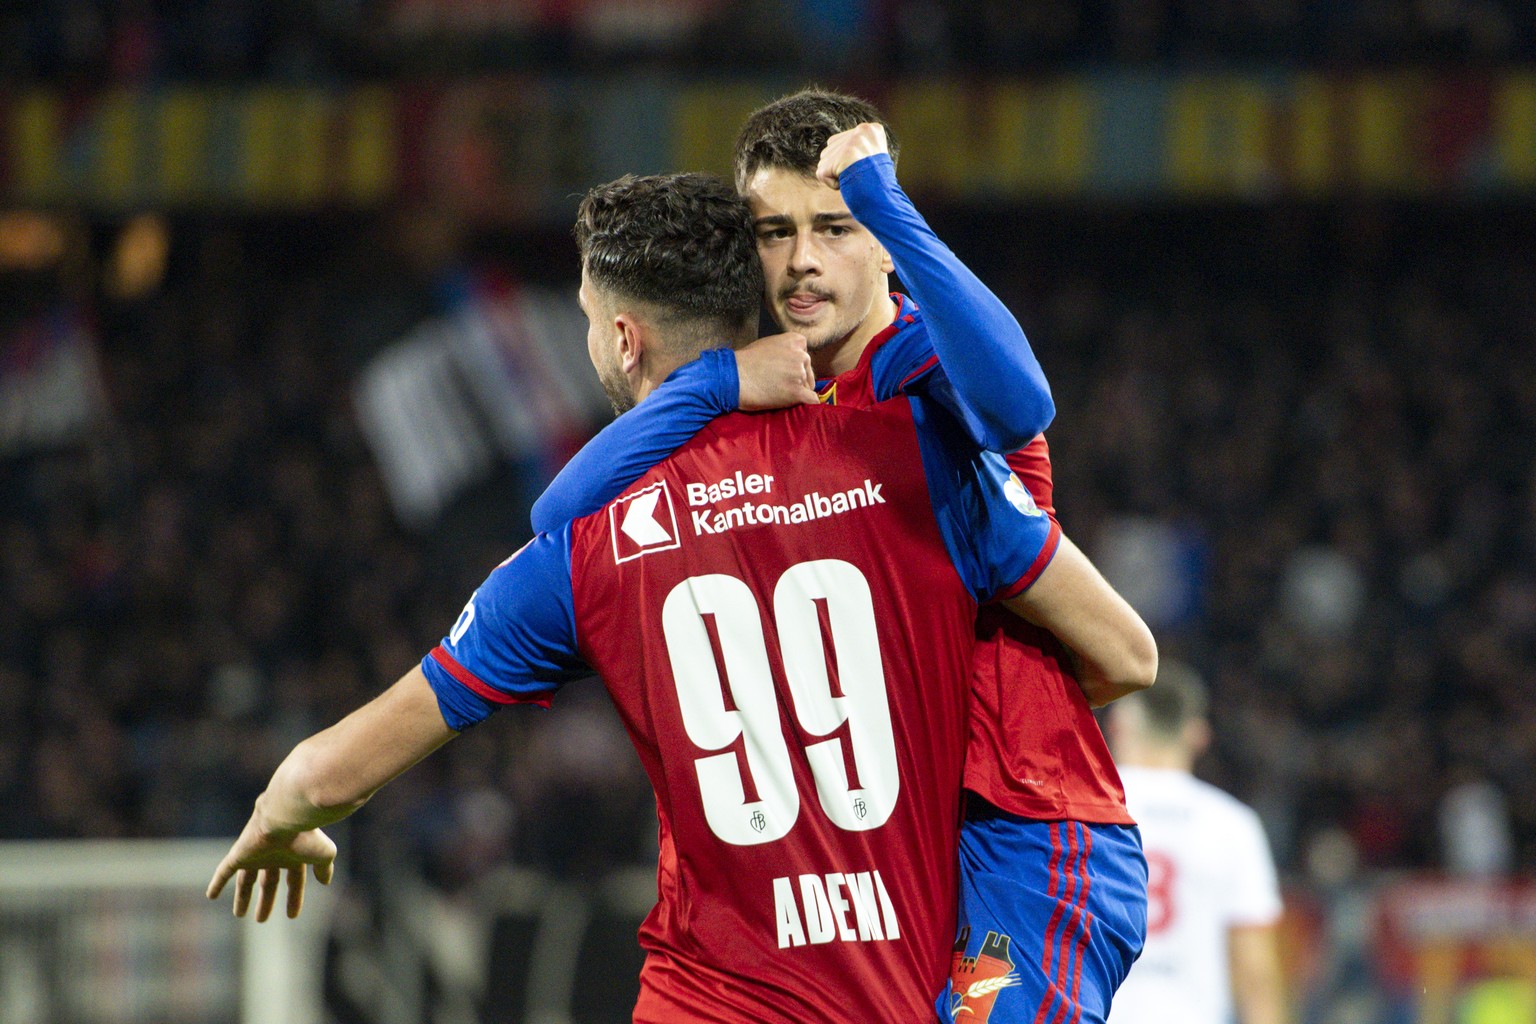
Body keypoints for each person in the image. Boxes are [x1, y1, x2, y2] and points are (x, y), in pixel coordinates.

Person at [207, 171, 1153, 1024]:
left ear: (621, 338)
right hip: (901, 988)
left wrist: (285, 816)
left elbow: (326, 773)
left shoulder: (578, 553)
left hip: (707, 998)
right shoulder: (908, 458)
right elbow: (1120, 655)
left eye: (584, 319)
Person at [529, 88, 1151, 1023]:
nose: (803, 261)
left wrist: (888, 199)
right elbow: (561, 517)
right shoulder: (763, 401)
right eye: (775, 232)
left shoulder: (914, 370)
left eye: (838, 225)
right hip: (896, 849)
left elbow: (1022, 406)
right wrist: (713, 381)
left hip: (1025, 824)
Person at [1105, 661, 1286, 1024]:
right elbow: (1256, 977)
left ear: (1118, 727)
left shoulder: (1081, 812)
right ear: (1198, 735)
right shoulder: (1232, 825)